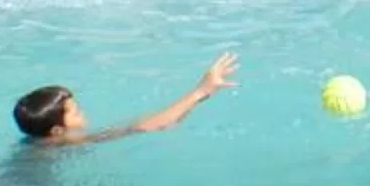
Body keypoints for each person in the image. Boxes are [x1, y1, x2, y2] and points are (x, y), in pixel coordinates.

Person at [13, 51, 239, 146]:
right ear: (56, 131)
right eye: (75, 112)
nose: (82, 112)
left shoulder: (32, 147)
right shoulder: (66, 145)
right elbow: (146, 126)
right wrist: (201, 90)